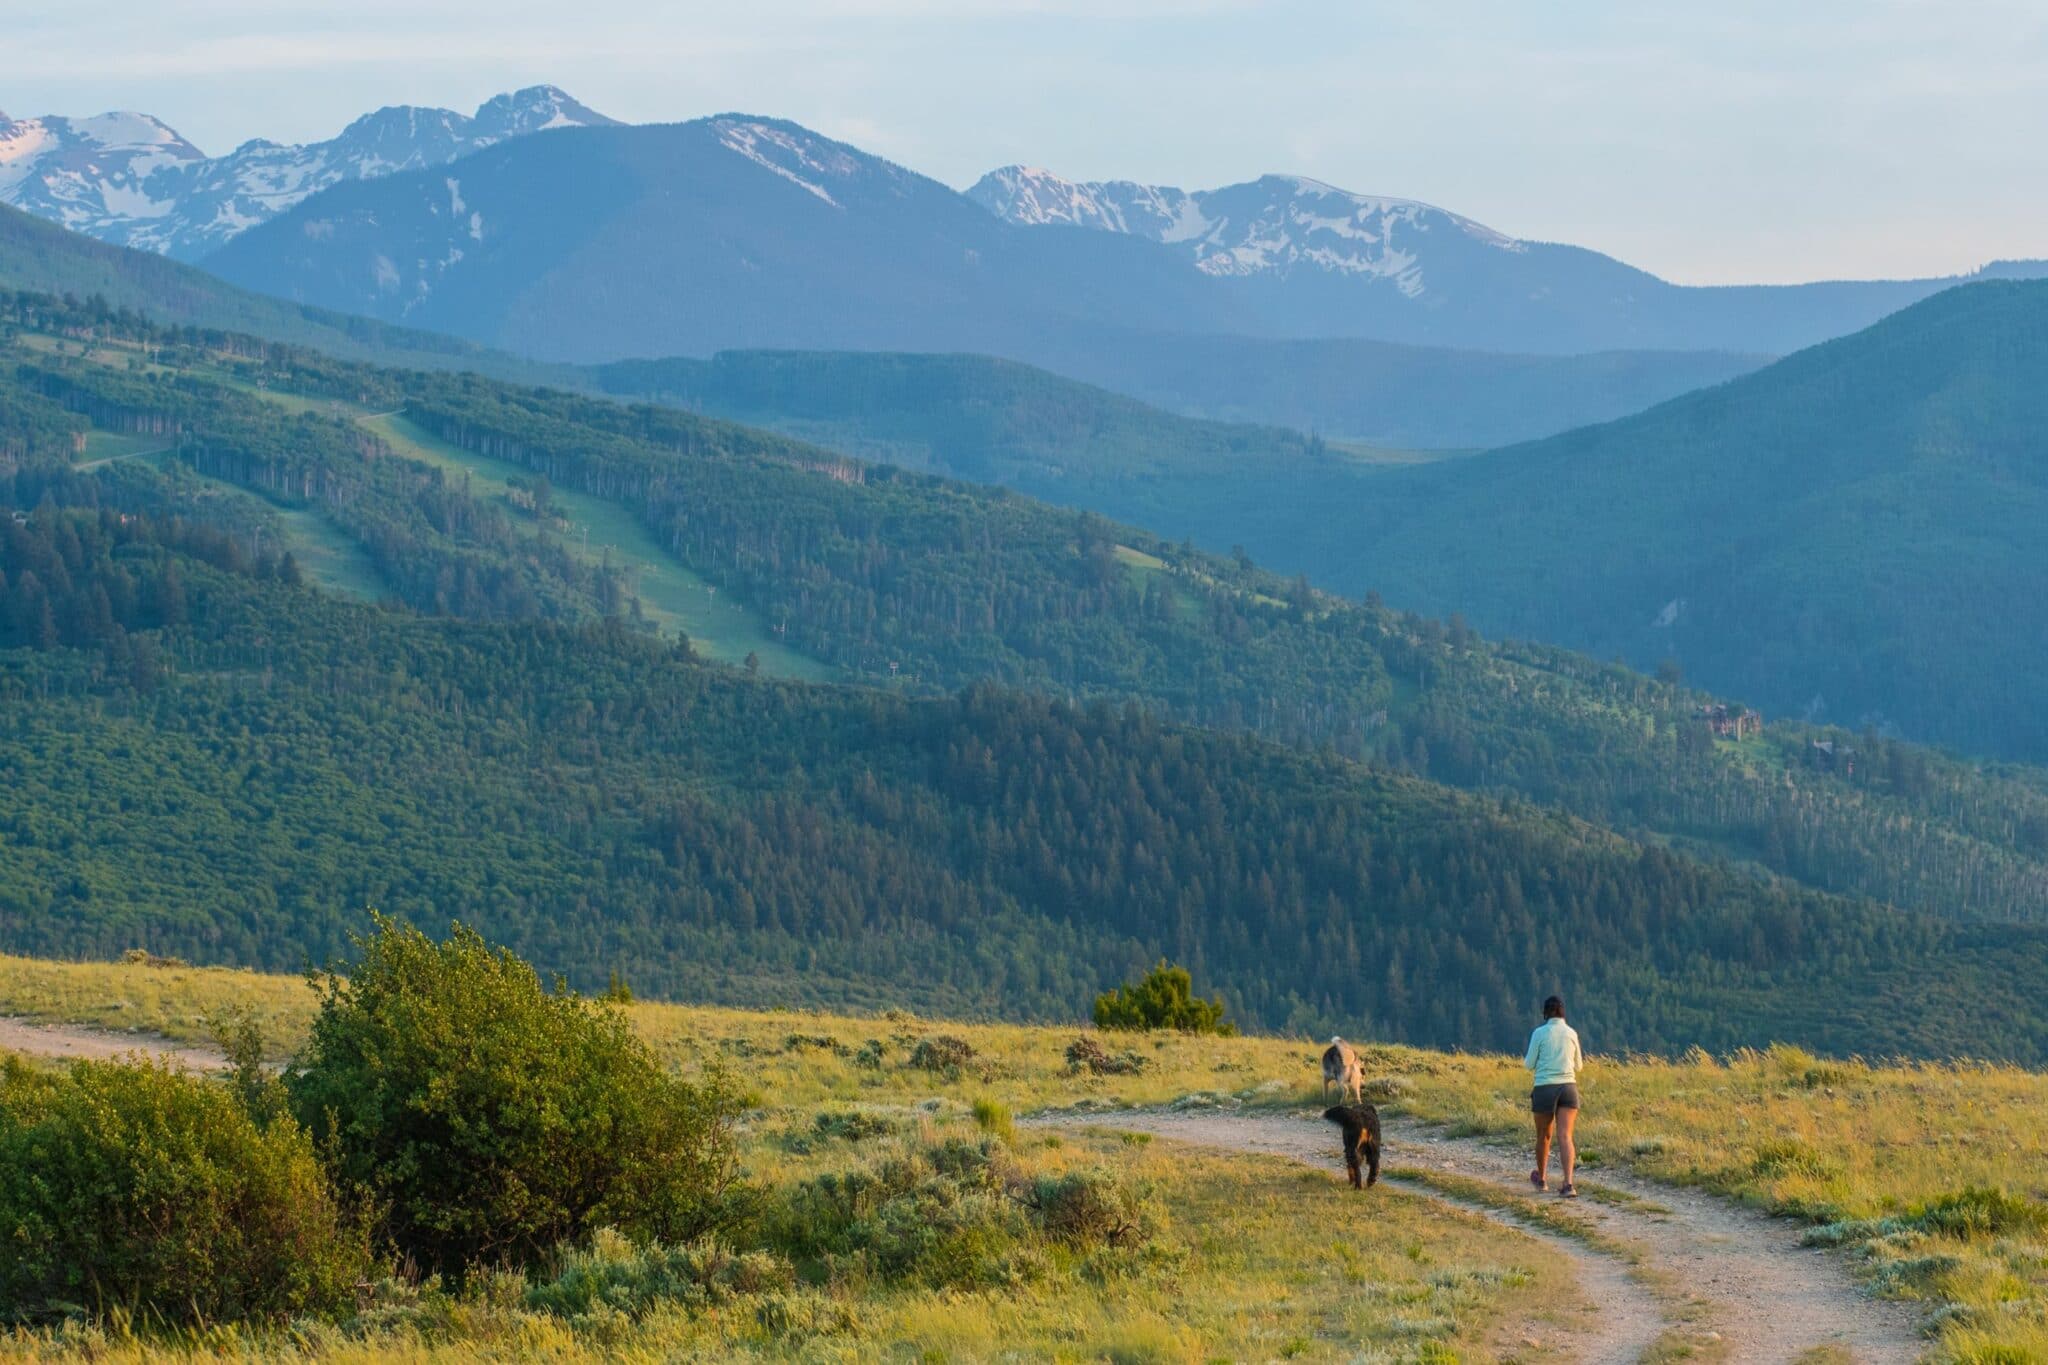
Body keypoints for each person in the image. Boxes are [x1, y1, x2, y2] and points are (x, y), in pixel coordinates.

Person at [1524, 995, 1583, 1196]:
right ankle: (1568, 1184)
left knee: (1544, 1135)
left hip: (1544, 1087)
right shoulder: (1572, 1033)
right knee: (1565, 1135)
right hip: (1568, 1087)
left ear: (1545, 1013)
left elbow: (1529, 1064)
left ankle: (1542, 1180)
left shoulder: (1539, 1033)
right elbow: (1579, 1066)